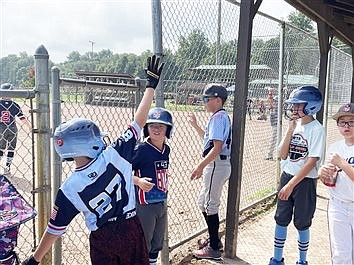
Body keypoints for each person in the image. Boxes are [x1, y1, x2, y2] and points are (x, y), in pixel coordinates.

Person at [22, 55, 164, 265]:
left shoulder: (69, 189)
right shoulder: (115, 153)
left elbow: (54, 229)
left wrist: (35, 259)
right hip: (131, 229)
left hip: (103, 238)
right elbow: (139, 120)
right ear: (88, 144)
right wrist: (151, 86)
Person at [268, 86, 325, 265]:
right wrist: (290, 129)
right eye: (293, 105)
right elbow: (283, 155)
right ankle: (277, 259)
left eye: (298, 105)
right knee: (281, 218)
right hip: (287, 177)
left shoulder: (317, 129)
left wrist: (291, 185)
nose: (293, 109)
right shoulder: (295, 125)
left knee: (302, 221)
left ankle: (302, 261)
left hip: (304, 182)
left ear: (311, 106)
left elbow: (310, 163)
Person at [188, 84, 231, 261]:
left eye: (207, 99)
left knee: (209, 205)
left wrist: (200, 166)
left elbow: (216, 148)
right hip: (216, 164)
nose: (204, 102)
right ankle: (214, 240)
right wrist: (196, 126)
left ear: (218, 100)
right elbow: (209, 140)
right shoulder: (219, 116)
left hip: (216, 165)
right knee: (203, 202)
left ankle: (214, 248)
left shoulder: (218, 117)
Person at [132, 107, 174, 265]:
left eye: (161, 126)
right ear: (146, 129)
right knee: (145, 243)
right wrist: (139, 182)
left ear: (168, 130)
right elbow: (122, 172)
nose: (156, 129)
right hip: (145, 205)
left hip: (161, 201)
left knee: (157, 243)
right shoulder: (141, 149)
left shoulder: (166, 149)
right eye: (152, 126)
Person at [317, 103, 354, 265]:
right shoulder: (335, 147)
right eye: (342, 122)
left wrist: (342, 163)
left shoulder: (338, 155)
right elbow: (328, 179)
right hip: (338, 205)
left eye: (351, 122)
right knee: (341, 255)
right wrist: (322, 174)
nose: (346, 126)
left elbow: (343, 167)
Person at [0, 83, 32, 176]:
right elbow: (22, 118)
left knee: (1, 148)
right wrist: (30, 126)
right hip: (12, 128)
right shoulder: (14, 105)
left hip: (1, 128)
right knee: (11, 149)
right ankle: (7, 167)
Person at [266, 96, 279, 160]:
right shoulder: (274, 108)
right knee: (274, 140)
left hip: (276, 126)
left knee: (273, 140)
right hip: (274, 125)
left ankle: (270, 155)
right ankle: (270, 154)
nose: (274, 102)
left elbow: (271, 103)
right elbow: (270, 102)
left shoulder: (277, 109)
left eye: (275, 101)